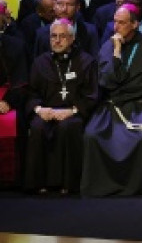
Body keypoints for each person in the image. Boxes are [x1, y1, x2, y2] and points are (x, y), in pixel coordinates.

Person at [81, 3, 142, 196]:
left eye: (122, 23)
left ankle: (132, 186)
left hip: (139, 105)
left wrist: (120, 88)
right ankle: (99, 186)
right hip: (111, 106)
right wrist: (116, 52)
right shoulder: (108, 45)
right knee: (92, 135)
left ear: (135, 24)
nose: (116, 27)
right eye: (114, 22)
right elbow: (107, 81)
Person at [23, 18, 98, 194]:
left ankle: (68, 183)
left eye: (62, 36)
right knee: (38, 127)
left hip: (73, 112)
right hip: (46, 111)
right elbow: (31, 93)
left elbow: (91, 95)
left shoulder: (86, 62)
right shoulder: (40, 62)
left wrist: (71, 111)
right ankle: (38, 183)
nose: (57, 41)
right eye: (53, 36)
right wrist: (39, 109)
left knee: (68, 127)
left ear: (72, 38)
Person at [0, 25, 27, 187]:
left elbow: (21, 80)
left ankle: (15, 179)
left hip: (9, 97)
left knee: (19, 121)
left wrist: (7, 101)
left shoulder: (15, 45)